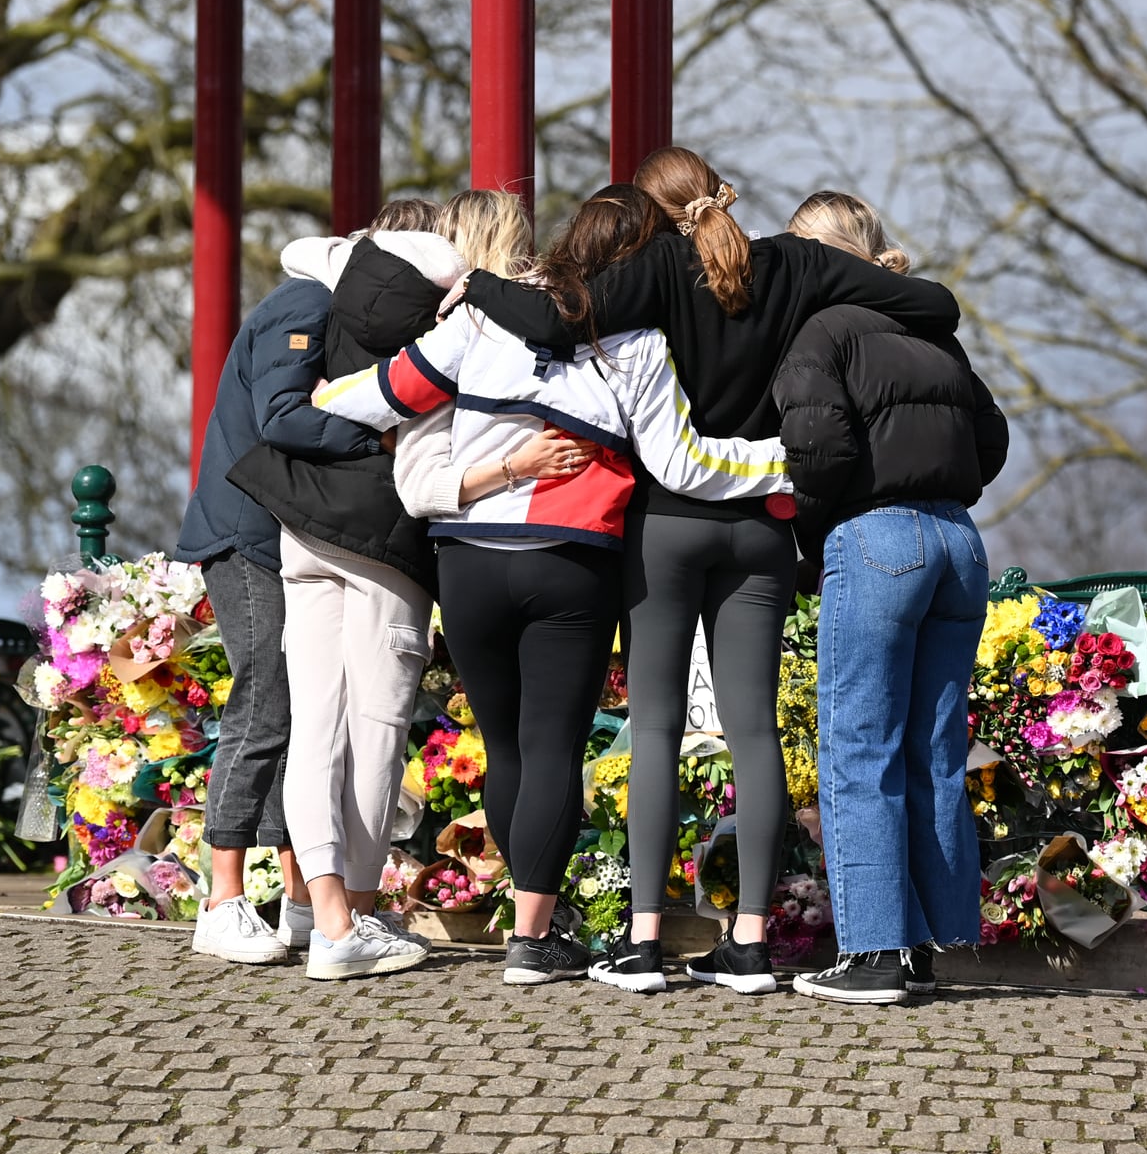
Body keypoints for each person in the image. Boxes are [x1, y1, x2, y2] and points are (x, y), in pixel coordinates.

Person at [458, 148, 963, 997]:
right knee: (754, 730)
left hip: (668, 526)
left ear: (657, 217)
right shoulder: (799, 263)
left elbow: (547, 324)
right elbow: (936, 306)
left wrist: (473, 283)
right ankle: (751, 944)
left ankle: (645, 941)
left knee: (654, 726)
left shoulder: (655, 268)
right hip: (762, 529)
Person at [314, 185, 793, 987]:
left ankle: (529, 915)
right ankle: (533, 934)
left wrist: (309, 402)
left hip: (468, 556)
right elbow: (673, 461)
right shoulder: (636, 336)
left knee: (504, 746)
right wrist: (784, 462)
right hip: (572, 559)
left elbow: (382, 396)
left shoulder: (476, 316)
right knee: (551, 748)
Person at [228, 196, 556, 980]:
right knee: (375, 730)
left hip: (301, 523)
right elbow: (420, 447)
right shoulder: (451, 318)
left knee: (316, 724)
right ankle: (354, 919)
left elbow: (306, 404)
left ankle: (319, 904)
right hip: (383, 541)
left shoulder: (333, 292)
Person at [769, 192, 1006, 1003]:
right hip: (958, 541)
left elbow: (818, 445)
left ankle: (873, 951)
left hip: (876, 538)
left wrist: (812, 527)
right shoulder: (932, 331)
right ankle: (929, 941)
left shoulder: (819, 331)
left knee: (858, 745)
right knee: (934, 751)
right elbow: (992, 437)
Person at [175, 222, 384, 965]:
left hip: (271, 535)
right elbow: (283, 417)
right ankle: (221, 898)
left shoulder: (315, 307)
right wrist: (379, 438)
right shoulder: (303, 305)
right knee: (263, 700)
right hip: (247, 535)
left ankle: (297, 898)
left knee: (292, 710)